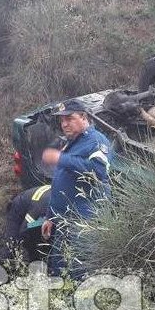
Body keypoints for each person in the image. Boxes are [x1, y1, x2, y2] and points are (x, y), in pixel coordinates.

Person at [40, 99, 111, 279]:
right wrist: (50, 217)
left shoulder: (96, 141)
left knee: (80, 272)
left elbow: (99, 171)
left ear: (83, 117)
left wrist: (60, 159)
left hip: (84, 222)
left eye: (69, 118)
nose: (64, 124)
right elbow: (59, 185)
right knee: (57, 267)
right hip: (63, 221)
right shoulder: (72, 142)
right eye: (62, 120)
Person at [0, 185, 52, 263]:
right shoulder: (40, 209)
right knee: (12, 244)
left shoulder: (62, 199)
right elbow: (25, 230)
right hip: (18, 210)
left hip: (37, 210)